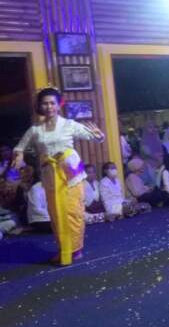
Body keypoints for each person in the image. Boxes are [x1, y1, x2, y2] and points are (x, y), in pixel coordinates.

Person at [13, 87, 105, 265]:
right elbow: (20, 146)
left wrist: (99, 136)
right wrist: (19, 155)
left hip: (72, 172)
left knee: (74, 212)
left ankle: (76, 250)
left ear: (58, 105)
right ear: (40, 106)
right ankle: (64, 249)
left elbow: (95, 137)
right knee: (56, 214)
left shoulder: (69, 124)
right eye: (45, 103)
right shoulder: (35, 130)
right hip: (50, 175)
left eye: (52, 103)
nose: (49, 107)